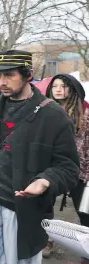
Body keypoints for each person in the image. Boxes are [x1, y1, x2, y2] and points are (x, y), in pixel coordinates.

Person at [0, 50, 79, 264]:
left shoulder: (54, 117)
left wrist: (45, 181)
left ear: (28, 74)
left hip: (25, 210)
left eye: (9, 75)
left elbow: (68, 168)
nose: (2, 82)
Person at [43, 74, 89, 262]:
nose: (58, 89)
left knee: (84, 211)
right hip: (50, 168)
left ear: (73, 89)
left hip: (80, 169)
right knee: (44, 206)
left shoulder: (84, 114)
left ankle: (86, 248)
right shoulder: (44, 111)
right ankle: (45, 240)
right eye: (55, 86)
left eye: (64, 86)